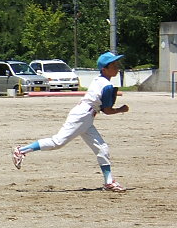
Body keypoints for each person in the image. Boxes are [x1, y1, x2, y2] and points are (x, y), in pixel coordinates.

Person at [12, 51, 130, 192]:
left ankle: (109, 182)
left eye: (116, 64)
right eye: (113, 65)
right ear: (104, 69)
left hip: (86, 117)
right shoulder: (106, 85)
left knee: (102, 148)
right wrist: (121, 109)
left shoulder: (100, 80)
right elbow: (107, 110)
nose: (117, 67)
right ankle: (21, 150)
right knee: (57, 142)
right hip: (82, 116)